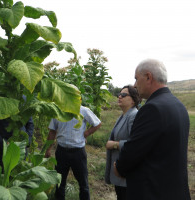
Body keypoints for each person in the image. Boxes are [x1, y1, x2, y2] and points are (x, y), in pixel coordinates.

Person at [114, 59, 191, 200]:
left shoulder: (151, 108)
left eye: (136, 79)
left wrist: (119, 167)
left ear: (148, 77)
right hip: (174, 190)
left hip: (153, 191)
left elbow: (134, 150)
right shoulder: (178, 105)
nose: (135, 85)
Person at [45, 105, 102, 200]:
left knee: (83, 183)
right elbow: (52, 131)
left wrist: (87, 133)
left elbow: (97, 123)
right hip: (61, 151)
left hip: (78, 152)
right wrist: (48, 149)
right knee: (59, 182)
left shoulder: (84, 110)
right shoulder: (58, 110)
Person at [104, 85, 141, 200]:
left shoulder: (134, 116)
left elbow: (136, 143)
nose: (119, 96)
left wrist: (114, 144)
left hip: (126, 170)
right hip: (120, 169)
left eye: (124, 95)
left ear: (133, 100)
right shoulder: (123, 115)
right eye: (119, 94)